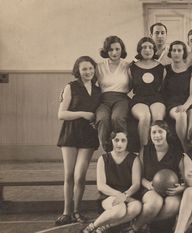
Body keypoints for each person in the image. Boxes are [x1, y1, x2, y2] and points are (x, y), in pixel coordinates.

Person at [55, 56, 101, 225]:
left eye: (90, 68)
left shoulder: (98, 90)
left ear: (94, 70)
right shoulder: (71, 87)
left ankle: (76, 212)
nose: (88, 72)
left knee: (80, 176)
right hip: (71, 133)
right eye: (84, 69)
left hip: (88, 135)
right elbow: (61, 114)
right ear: (78, 71)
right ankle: (66, 212)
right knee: (69, 175)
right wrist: (82, 114)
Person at [81, 131, 142, 233]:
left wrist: (125, 195)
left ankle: (105, 226)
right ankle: (92, 226)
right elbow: (101, 186)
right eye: (116, 140)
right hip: (108, 196)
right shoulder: (103, 159)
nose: (119, 144)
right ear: (111, 141)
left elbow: (136, 184)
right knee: (120, 210)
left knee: (137, 207)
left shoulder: (134, 159)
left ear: (127, 142)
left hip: (127, 195)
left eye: (123, 140)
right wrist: (119, 195)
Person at [130, 120, 185, 233]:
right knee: (155, 203)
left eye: (160, 132)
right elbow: (138, 175)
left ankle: (145, 221)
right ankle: (134, 228)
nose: (157, 135)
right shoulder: (145, 150)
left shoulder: (176, 151)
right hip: (150, 188)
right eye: (154, 132)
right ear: (150, 135)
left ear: (166, 133)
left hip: (172, 190)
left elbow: (187, 178)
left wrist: (181, 188)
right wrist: (147, 184)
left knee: (173, 205)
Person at [162, 40, 192, 152]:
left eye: (179, 50)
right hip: (173, 102)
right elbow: (162, 90)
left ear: (184, 53)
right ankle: (186, 149)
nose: (176, 53)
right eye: (174, 50)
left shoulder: (191, 70)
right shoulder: (166, 69)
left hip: (190, 101)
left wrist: (186, 106)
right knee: (181, 116)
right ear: (171, 53)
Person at [96, 35, 131, 152]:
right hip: (103, 99)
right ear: (106, 51)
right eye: (110, 50)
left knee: (117, 117)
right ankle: (108, 151)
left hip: (121, 99)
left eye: (117, 49)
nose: (114, 52)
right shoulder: (99, 67)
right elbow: (86, 83)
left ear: (122, 50)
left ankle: (123, 149)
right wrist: (69, 88)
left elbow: (135, 84)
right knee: (102, 119)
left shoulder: (128, 66)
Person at [130, 37, 166, 148]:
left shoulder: (161, 67)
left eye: (150, 47)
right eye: (144, 47)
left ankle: (158, 149)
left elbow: (164, 88)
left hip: (156, 98)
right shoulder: (132, 67)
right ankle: (143, 151)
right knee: (145, 116)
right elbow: (128, 87)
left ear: (154, 50)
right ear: (139, 50)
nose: (147, 50)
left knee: (157, 116)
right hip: (139, 99)